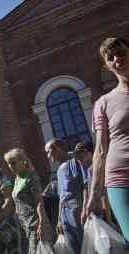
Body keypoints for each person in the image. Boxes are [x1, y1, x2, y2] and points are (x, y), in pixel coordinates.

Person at [86, 37, 129, 245]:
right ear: (107, 66)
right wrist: (94, 194)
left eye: (121, 52)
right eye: (110, 58)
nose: (117, 59)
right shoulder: (103, 103)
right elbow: (100, 150)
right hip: (119, 180)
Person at [4, 148, 53, 254]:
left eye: (13, 163)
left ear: (22, 160)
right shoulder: (17, 178)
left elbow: (39, 201)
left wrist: (41, 223)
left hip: (36, 224)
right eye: (9, 164)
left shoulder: (31, 176)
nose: (11, 167)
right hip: (24, 226)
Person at [47, 139, 84, 254]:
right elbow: (61, 198)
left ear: (57, 148)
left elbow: (85, 186)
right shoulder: (58, 170)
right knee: (74, 248)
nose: (48, 156)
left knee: (86, 245)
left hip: (78, 210)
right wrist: (59, 220)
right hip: (65, 215)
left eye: (49, 151)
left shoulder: (75, 162)